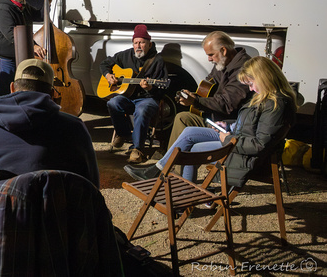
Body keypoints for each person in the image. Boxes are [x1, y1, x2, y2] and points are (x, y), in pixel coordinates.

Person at [125, 56, 297, 188]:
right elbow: (249, 125)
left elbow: (259, 145)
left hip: (246, 154)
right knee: (190, 132)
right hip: (236, 138)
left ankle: (185, 195)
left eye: (251, 83)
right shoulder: (264, 97)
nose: (251, 89)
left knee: (191, 150)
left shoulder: (276, 105)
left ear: (264, 78)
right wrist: (229, 126)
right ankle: (158, 170)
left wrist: (228, 139)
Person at [0, 58, 100, 210]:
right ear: (52, 93)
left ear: (12, 88)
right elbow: (92, 189)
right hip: (58, 228)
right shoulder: (75, 128)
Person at [166, 31, 252, 148]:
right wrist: (193, 96)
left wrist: (196, 101)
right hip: (213, 119)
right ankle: (171, 163)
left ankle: (170, 163)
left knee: (186, 126)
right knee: (182, 118)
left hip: (226, 126)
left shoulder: (243, 69)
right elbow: (207, 86)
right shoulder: (223, 63)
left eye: (211, 55)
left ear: (223, 50)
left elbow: (227, 104)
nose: (209, 59)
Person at [100, 24, 169, 163]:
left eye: (142, 42)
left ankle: (137, 148)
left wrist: (150, 88)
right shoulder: (125, 55)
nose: (138, 46)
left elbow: (163, 87)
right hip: (128, 98)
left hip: (148, 99)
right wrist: (108, 75)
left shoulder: (157, 61)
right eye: (136, 42)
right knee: (113, 103)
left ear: (149, 44)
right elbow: (104, 64)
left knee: (142, 109)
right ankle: (123, 134)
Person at [0, 0, 50, 95]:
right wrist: (34, 46)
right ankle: (5, 112)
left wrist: (47, 2)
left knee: (19, 89)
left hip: (18, 54)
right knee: (6, 90)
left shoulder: (23, 6)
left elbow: (40, 16)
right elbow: (12, 35)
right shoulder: (2, 10)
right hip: (5, 58)